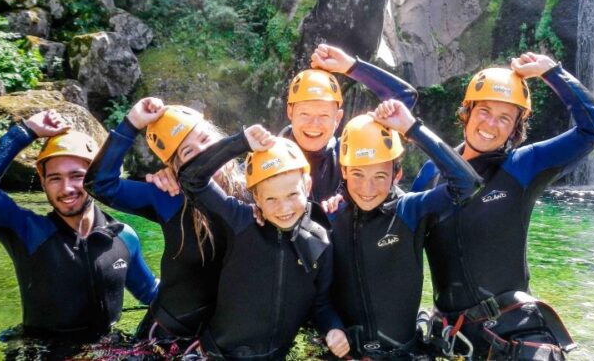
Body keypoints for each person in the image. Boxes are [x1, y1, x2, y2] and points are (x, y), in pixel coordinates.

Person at [412, 53, 594, 360]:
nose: (491, 124)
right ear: (466, 112)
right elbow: (398, 231)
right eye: (484, 111)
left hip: (509, 333)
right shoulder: (431, 173)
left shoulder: (523, 166)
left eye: (504, 118)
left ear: (515, 128)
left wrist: (552, 72)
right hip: (451, 338)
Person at [0, 110, 158, 343]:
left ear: (94, 178)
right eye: (55, 178)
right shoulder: (28, 233)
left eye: (77, 176)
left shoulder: (124, 237)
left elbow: (151, 292)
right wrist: (27, 131)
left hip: (109, 348)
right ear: (42, 181)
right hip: (42, 351)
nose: (66, 189)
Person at [175, 130, 350, 360]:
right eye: (271, 199)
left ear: (307, 186)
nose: (284, 208)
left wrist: (334, 328)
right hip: (218, 354)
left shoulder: (319, 240)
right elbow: (191, 179)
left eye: (292, 194)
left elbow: (321, 305)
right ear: (256, 197)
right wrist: (241, 142)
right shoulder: (241, 221)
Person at [329, 99, 483, 359]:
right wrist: (330, 327)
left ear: (396, 175)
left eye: (379, 176)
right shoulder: (329, 217)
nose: (367, 190)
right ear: (343, 171)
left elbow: (467, 183)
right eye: (357, 174)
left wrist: (412, 128)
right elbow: (317, 294)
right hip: (345, 354)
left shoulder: (411, 211)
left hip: (402, 354)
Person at [85, 99, 246, 344]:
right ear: (176, 166)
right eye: (188, 152)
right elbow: (99, 184)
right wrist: (132, 124)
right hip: (164, 339)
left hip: (223, 339)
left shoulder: (256, 187)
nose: (203, 154)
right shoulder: (169, 197)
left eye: (204, 140)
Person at [284, 43, 417, 208]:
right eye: (305, 114)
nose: (314, 124)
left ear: (338, 118)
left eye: (324, 115)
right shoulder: (273, 154)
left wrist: (350, 66)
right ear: (290, 112)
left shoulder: (352, 152)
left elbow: (405, 96)